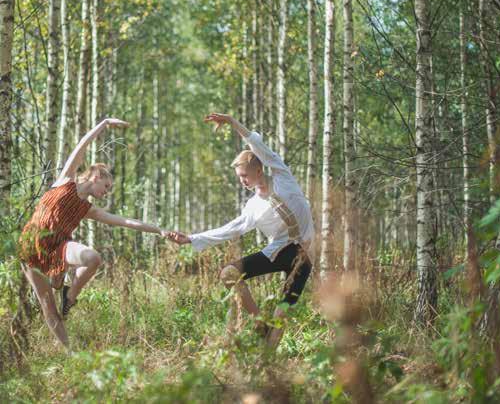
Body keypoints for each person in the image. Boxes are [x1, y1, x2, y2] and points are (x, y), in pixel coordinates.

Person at [19, 117, 171, 351]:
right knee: (47, 305)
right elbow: (82, 145)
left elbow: (125, 221)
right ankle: (70, 353)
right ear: (95, 177)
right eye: (106, 187)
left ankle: (69, 297)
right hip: (31, 249)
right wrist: (104, 124)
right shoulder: (64, 181)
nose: (107, 192)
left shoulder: (87, 209)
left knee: (93, 258)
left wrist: (159, 230)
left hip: (60, 246)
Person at [168, 113, 315, 348]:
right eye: (239, 177)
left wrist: (232, 123)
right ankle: (259, 323)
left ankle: (267, 360)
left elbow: (257, 144)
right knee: (228, 273)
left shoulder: (282, 177)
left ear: (259, 170)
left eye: (244, 175)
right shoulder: (253, 206)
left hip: (305, 254)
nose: (242, 181)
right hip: (278, 253)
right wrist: (192, 239)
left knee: (283, 311)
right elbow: (232, 229)